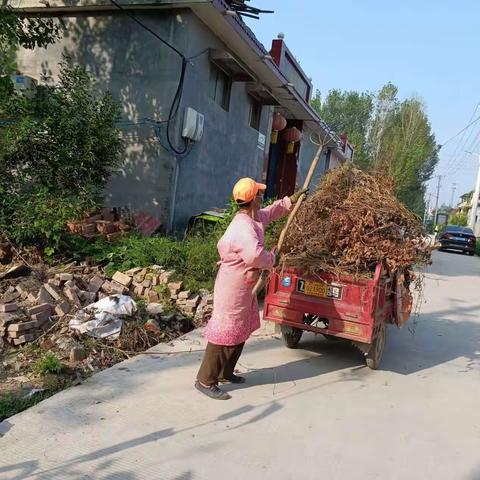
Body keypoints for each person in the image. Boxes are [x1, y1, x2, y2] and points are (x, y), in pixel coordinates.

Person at [195, 178, 307, 400]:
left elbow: (270, 213)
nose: (261, 197)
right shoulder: (242, 227)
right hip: (233, 285)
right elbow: (255, 256)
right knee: (224, 329)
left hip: (243, 284)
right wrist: (272, 258)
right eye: (259, 194)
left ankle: (226, 372)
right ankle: (205, 380)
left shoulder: (251, 216)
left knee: (240, 327)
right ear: (253, 199)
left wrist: (289, 202)